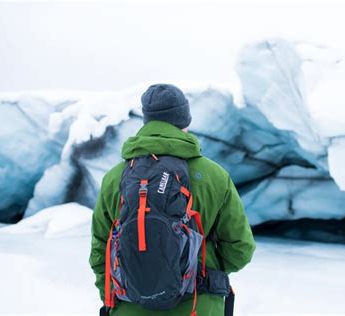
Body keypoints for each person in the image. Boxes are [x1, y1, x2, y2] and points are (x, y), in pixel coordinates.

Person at [89, 83, 256, 316]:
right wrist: (198, 270)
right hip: (199, 306)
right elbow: (240, 249)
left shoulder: (114, 178)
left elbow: (100, 252)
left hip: (129, 307)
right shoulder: (214, 175)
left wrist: (128, 287)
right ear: (184, 121)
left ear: (147, 121)